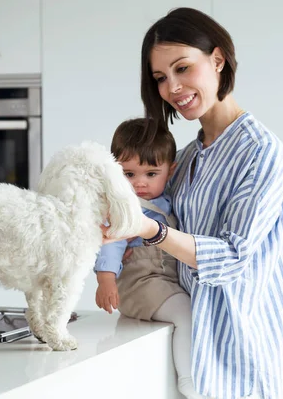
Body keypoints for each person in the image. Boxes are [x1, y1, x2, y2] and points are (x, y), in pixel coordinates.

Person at [103, 7, 283, 399]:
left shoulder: (260, 152)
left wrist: (151, 230)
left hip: (250, 357)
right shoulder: (184, 159)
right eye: (161, 78)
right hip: (201, 355)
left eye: (183, 68)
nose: (172, 87)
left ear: (217, 60)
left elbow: (233, 256)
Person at [94, 118, 203, 399]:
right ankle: (188, 380)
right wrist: (106, 280)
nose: (140, 183)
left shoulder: (167, 201)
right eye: (129, 174)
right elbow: (111, 244)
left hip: (162, 282)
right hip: (141, 283)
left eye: (151, 174)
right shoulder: (121, 207)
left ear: (171, 171)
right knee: (186, 314)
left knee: (195, 312)